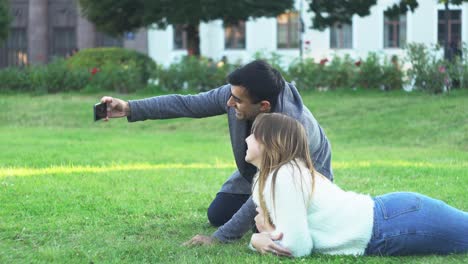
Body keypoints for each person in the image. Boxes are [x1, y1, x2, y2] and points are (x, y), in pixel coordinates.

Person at [99, 60, 333, 247]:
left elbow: (267, 185)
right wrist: (130, 107)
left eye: (237, 100)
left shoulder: (292, 125)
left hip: (302, 181)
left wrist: (219, 239)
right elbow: (187, 104)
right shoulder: (237, 94)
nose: (229, 102)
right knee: (218, 214)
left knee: (269, 226)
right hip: (257, 173)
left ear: (263, 106)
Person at [246, 113, 468, 257]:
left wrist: (258, 238)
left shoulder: (284, 176)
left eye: (254, 135)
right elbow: (284, 237)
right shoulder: (274, 178)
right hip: (390, 217)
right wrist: (267, 233)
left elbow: (296, 248)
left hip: (392, 224)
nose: (246, 139)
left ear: (269, 142)